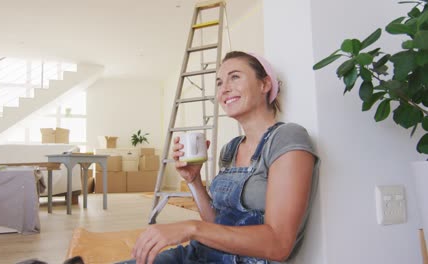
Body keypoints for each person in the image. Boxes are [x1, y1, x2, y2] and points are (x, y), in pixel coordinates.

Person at [119, 51, 320, 264]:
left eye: (235, 77)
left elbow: (279, 244)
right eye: (219, 82)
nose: (224, 89)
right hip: (198, 255)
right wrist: (194, 180)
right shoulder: (230, 149)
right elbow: (217, 223)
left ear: (265, 84)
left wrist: (191, 228)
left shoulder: (286, 138)